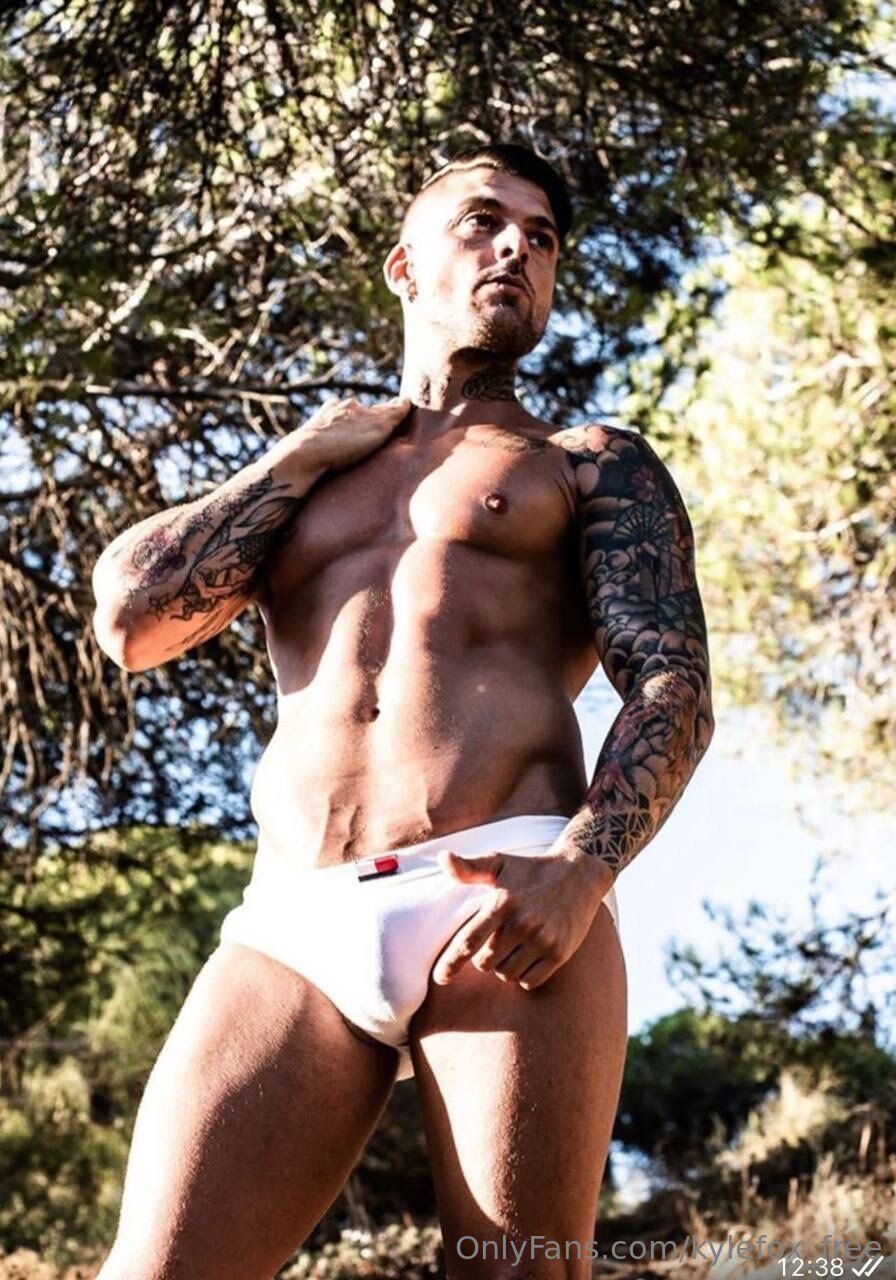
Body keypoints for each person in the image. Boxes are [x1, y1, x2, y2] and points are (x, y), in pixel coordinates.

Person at [90, 142, 714, 1280]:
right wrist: (294, 456)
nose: (517, 246)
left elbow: (673, 682)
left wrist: (579, 870)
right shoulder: (313, 477)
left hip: (504, 887)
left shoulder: (584, 463)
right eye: (483, 221)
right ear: (403, 265)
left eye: (541, 237)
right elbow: (132, 618)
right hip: (294, 918)